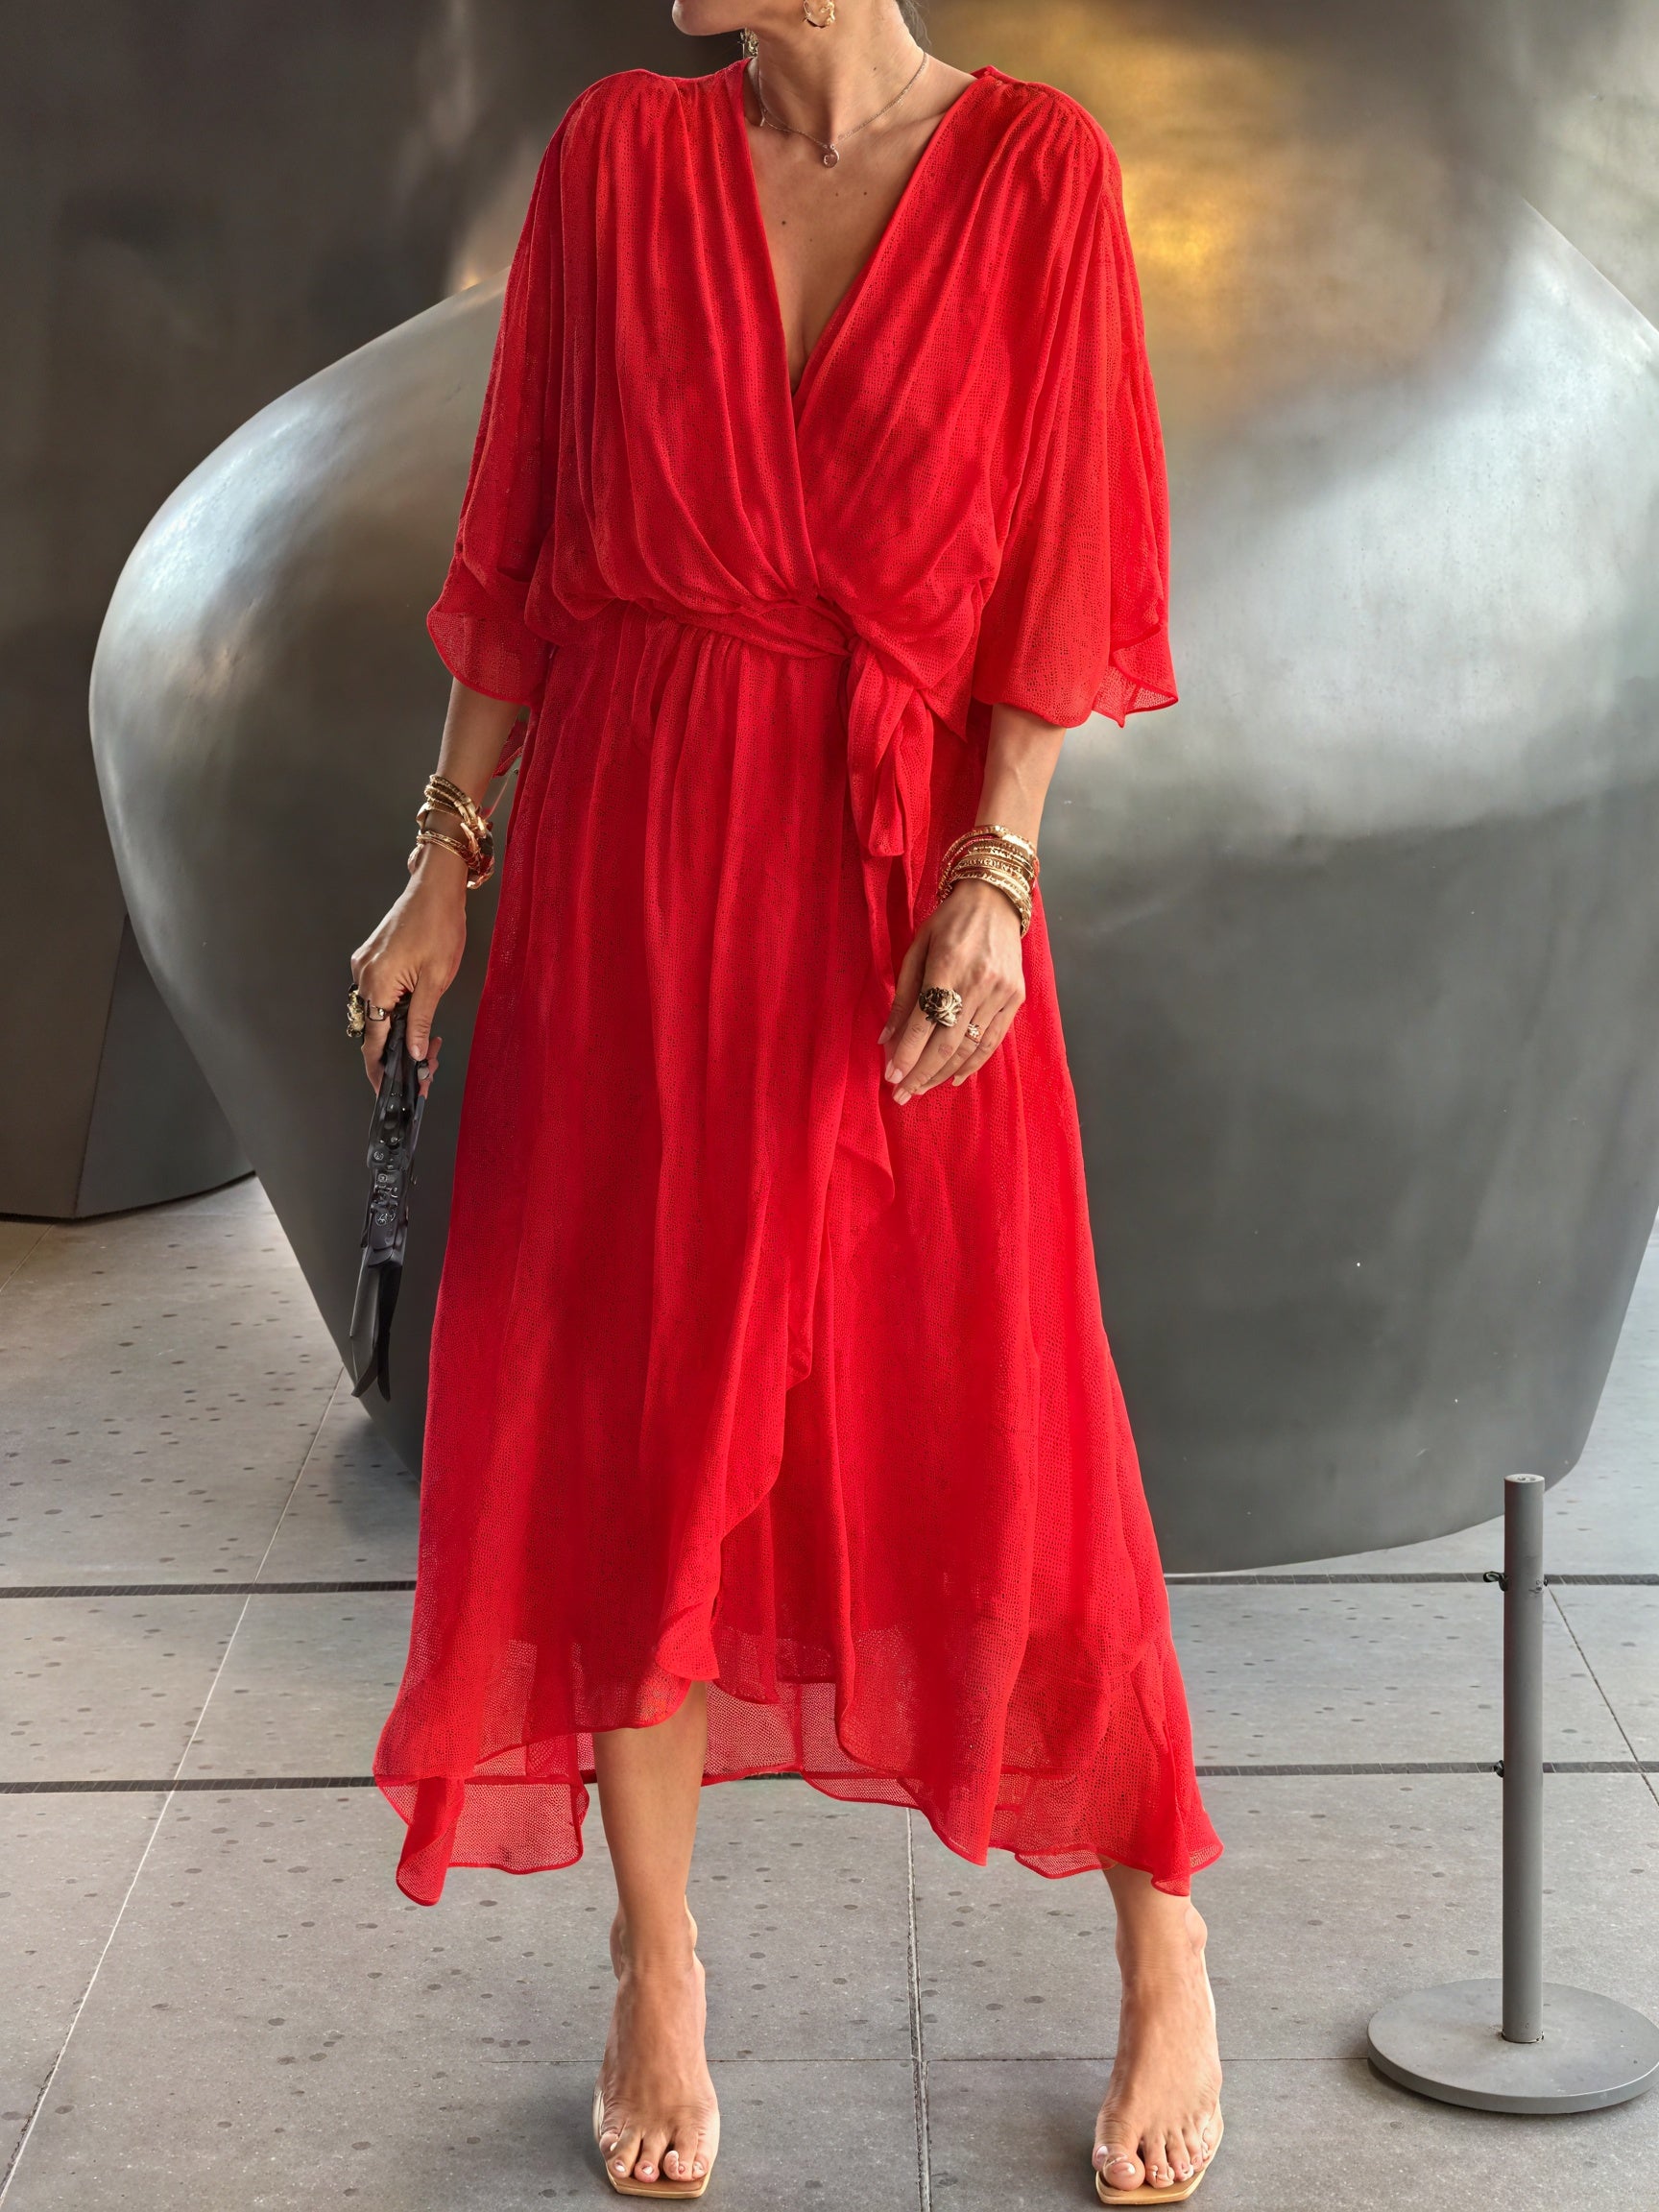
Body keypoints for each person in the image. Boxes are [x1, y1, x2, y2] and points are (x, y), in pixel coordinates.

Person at [351, 1, 1225, 2199]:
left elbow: (1062, 564)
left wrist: (997, 872)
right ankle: (653, 1958)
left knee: (1010, 1409)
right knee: (625, 1413)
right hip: (631, 885)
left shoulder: (1035, 175)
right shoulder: (613, 161)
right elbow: (516, 548)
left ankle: (1167, 1935)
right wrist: (444, 865)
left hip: (896, 879)